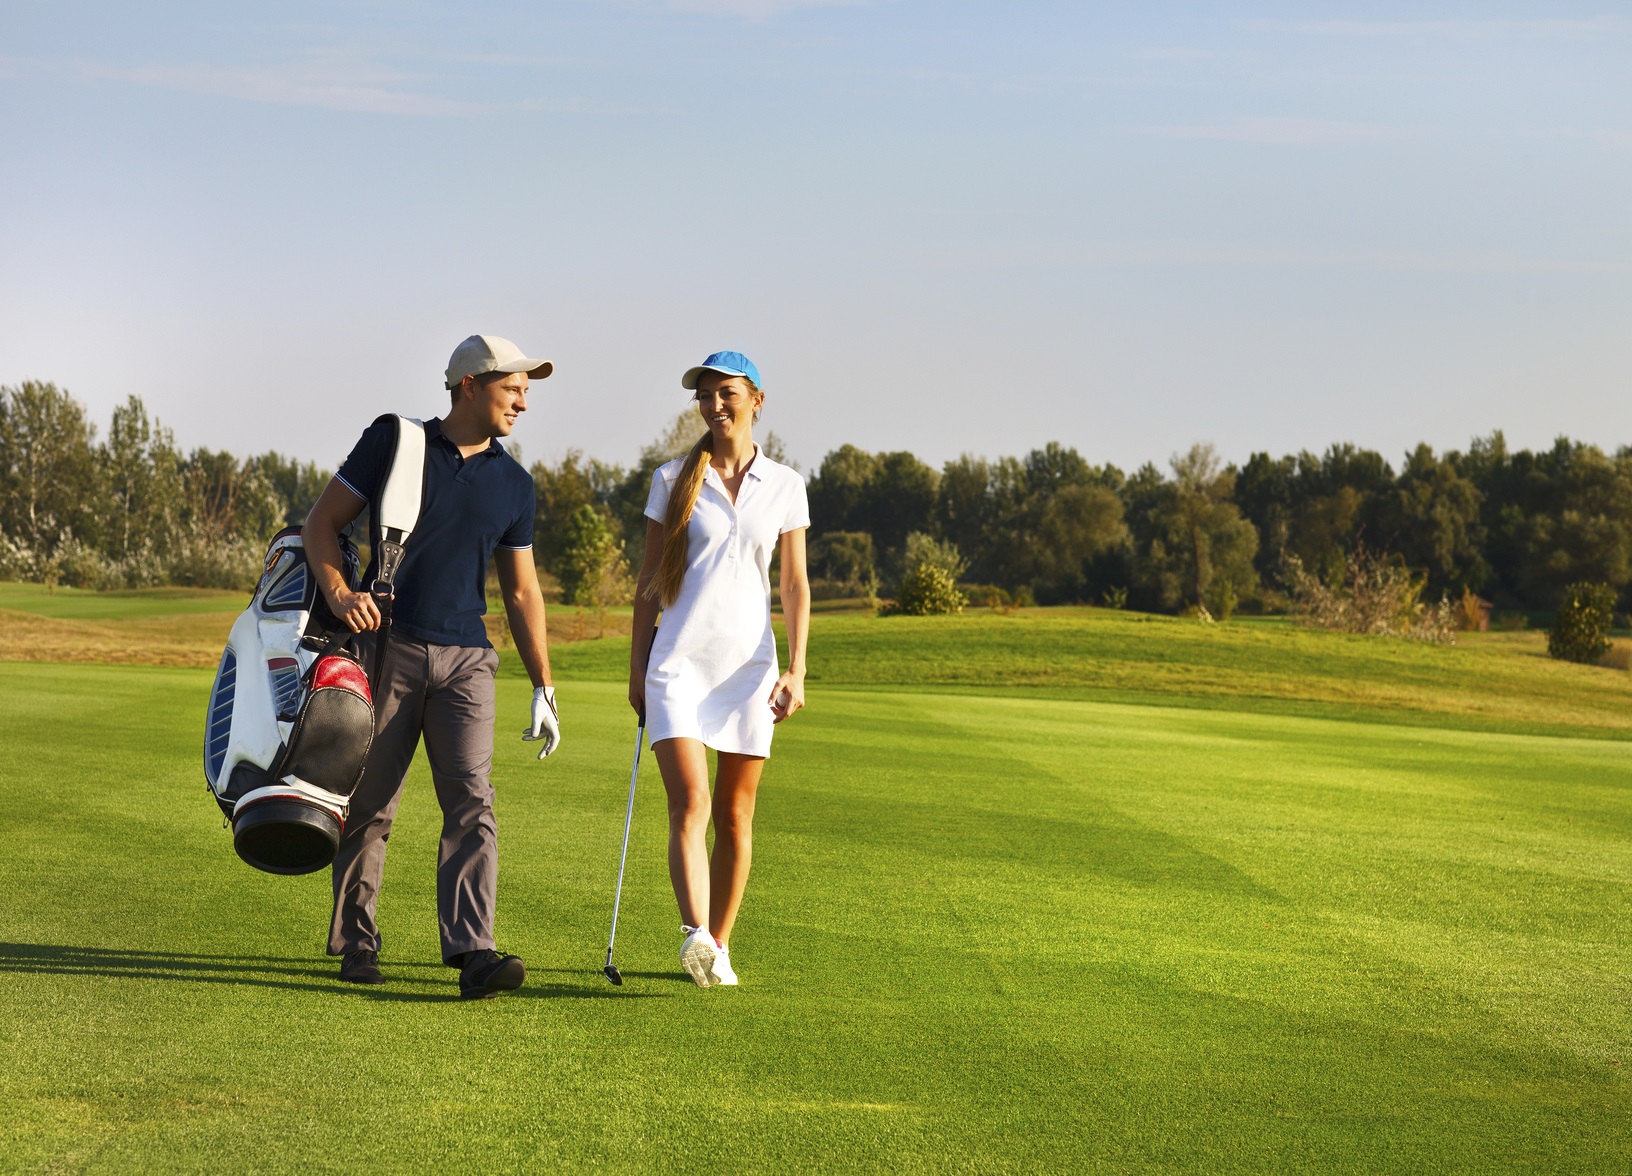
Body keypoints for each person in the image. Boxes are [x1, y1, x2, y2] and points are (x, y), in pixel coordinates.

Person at [303, 334, 563, 1000]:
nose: (524, 403)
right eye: (514, 389)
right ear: (471, 386)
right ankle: (356, 943)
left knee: (473, 803)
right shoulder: (395, 444)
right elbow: (322, 525)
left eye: (528, 391)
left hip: (469, 659)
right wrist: (340, 593)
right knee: (369, 805)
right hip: (388, 648)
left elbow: (524, 591)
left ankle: (473, 952)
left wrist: (545, 684)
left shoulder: (515, 482)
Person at [629, 350, 811, 988]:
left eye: (727, 392)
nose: (715, 404)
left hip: (749, 670)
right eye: (705, 394)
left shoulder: (786, 486)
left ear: (756, 399)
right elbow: (649, 585)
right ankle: (695, 932)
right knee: (692, 801)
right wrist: (635, 672)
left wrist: (798, 669)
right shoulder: (672, 477)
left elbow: (792, 584)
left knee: (737, 814)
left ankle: (720, 945)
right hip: (676, 663)